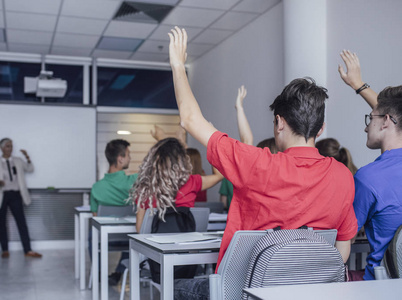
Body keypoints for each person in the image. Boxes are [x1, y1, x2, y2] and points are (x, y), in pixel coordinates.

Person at [168, 27, 357, 298]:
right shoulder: (343, 176)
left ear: (279, 123)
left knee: (176, 288)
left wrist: (177, 65)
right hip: (310, 293)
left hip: (240, 291)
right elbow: (342, 248)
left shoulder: (256, 164)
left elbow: (190, 120)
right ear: (321, 127)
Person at [339, 50, 402, 280]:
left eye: (370, 118)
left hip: (380, 287)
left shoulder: (369, 178)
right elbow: (393, 113)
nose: (366, 127)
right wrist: (359, 85)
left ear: (386, 121)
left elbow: (346, 237)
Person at [130, 138, 223, 233]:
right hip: (186, 244)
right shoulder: (192, 182)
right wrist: (211, 144)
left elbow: (139, 228)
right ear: (181, 161)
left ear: (154, 161)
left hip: (155, 245)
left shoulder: (145, 187)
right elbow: (219, 175)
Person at [89, 139, 138, 285]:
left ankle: (98, 272)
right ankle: (119, 272)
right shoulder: (135, 181)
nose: (130, 158)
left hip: (106, 237)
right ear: (120, 158)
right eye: (128, 154)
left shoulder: (96, 187)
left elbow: (96, 217)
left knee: (92, 236)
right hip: (129, 237)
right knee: (135, 235)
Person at [0, 138, 42, 258]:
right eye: (8, 146)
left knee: (21, 222)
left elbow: (30, 169)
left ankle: (28, 250)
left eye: (11, 146)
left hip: (15, 195)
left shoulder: (18, 160)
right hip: (1, 195)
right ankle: (5, 250)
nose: (10, 148)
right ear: (1, 148)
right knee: (1, 223)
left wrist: (27, 157)